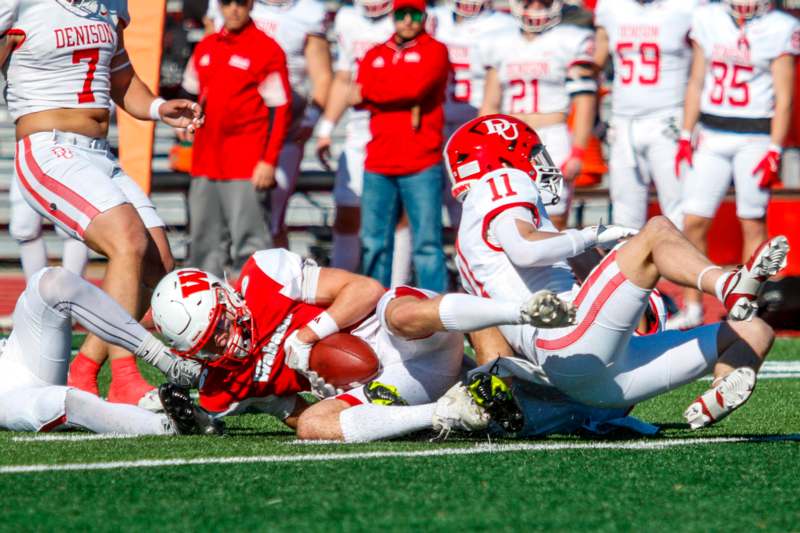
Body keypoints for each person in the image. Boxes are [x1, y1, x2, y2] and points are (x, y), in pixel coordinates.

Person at [445, 114, 786, 428]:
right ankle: (727, 282)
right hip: (569, 344)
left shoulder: (474, 250)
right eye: (530, 153)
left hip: (596, 386)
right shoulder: (502, 181)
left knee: (754, 331)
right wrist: (594, 233)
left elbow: (493, 347)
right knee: (657, 229)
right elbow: (527, 248)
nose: (539, 163)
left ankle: (717, 393)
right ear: (501, 159)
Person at [149, 247, 576, 442]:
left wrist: (309, 335)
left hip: (394, 333)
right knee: (316, 428)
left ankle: (518, 312)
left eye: (220, 325)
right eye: (210, 344)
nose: (225, 342)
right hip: (395, 384)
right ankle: (450, 411)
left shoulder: (266, 275)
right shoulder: (227, 385)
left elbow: (365, 289)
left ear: (226, 297)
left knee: (401, 312)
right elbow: (298, 415)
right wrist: (201, 419)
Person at [1, 0, 204, 406]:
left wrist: (159, 108)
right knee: (128, 241)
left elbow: (121, 77)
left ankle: (86, 369)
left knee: (158, 263)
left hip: (98, 152)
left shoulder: (111, 4)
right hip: (47, 147)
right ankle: (126, 374)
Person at [671, 0, 799, 329]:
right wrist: (686, 133)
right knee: (693, 220)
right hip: (712, 132)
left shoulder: (781, 26)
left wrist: (775, 147)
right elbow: (697, 80)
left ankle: (747, 305)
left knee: (751, 222)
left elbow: (784, 96)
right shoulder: (707, 17)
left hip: (755, 135)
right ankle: (693, 307)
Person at [0, 266, 211, 435]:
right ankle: (168, 426)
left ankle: (171, 363)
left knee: (51, 282)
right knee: (61, 403)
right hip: (7, 394)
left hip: (12, 357)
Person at [204, 0, 333, 248]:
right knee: (221, 216)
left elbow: (323, 75)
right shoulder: (231, 5)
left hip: (280, 125)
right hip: (231, 127)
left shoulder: (307, 11)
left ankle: (273, 283)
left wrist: (311, 120)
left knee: (270, 218)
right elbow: (209, 59)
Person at [181, 0, 292, 277]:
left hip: (246, 164)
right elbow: (188, 96)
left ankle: (257, 315)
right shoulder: (206, 47)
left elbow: (280, 110)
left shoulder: (266, 49)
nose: (233, 9)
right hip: (205, 162)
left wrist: (269, 161)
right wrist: (184, 124)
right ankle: (202, 315)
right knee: (203, 247)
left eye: (240, 2)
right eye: (226, 2)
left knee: (252, 248)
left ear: (250, 5)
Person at [353, 0, 451, 292]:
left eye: (415, 14)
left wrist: (373, 93)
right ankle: (371, 313)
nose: (408, 21)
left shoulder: (435, 50)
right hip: (379, 161)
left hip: (421, 160)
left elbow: (415, 88)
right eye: (401, 14)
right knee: (373, 243)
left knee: (428, 244)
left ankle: (435, 315)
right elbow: (357, 92)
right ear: (392, 16)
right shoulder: (375, 53)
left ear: (425, 17)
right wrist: (394, 92)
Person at [479, 0, 597, 230]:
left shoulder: (570, 39)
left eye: (542, 1)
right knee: (510, 214)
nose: (535, 6)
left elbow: (584, 100)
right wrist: (487, 148)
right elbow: (490, 104)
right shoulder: (498, 41)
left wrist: (578, 150)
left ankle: (558, 266)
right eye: (529, 1)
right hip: (509, 139)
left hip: (550, 139)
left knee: (554, 216)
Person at [315, 0, 406, 280]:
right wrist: (326, 127)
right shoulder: (348, 18)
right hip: (358, 131)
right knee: (347, 212)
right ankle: (343, 285)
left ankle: (396, 290)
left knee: (399, 217)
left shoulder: (406, 15)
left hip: (396, 127)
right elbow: (343, 78)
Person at [593, 0, 702, 230]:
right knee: (624, 216)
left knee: (679, 213)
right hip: (623, 123)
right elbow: (595, 64)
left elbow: (702, 72)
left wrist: (689, 127)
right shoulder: (611, 7)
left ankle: (678, 266)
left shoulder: (687, 7)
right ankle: (630, 266)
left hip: (669, 120)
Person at [429, 0, 516, 227]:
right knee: (420, 205)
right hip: (432, 123)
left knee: (472, 202)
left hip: (474, 125)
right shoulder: (433, 19)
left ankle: (471, 259)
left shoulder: (504, 25)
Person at [10, 176, 89, 280]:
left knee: (72, 228)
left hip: (70, 163)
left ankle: (72, 290)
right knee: (24, 229)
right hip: (28, 161)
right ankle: (35, 290)